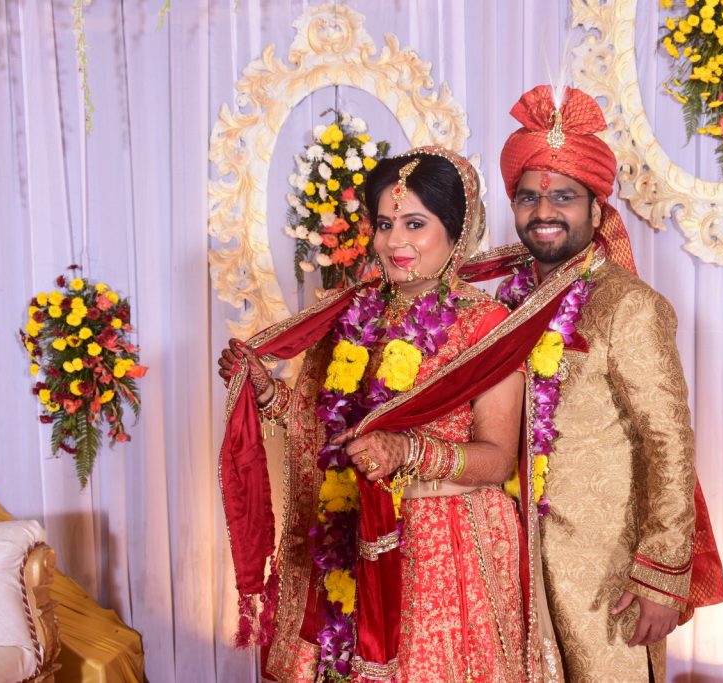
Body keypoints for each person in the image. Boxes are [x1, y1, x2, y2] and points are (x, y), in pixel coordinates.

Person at [217, 148, 527, 682]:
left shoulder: (489, 324)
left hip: (448, 546)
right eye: (384, 225)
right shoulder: (357, 312)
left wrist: (407, 451)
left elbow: (498, 460)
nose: (394, 242)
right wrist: (270, 395)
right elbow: (328, 429)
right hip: (358, 535)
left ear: (455, 231)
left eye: (415, 224)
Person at [482, 84, 723, 681]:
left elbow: (668, 443)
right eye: (529, 198)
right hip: (514, 565)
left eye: (564, 196)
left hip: (606, 579)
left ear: (596, 210)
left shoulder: (628, 306)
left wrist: (662, 576)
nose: (544, 212)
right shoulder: (503, 303)